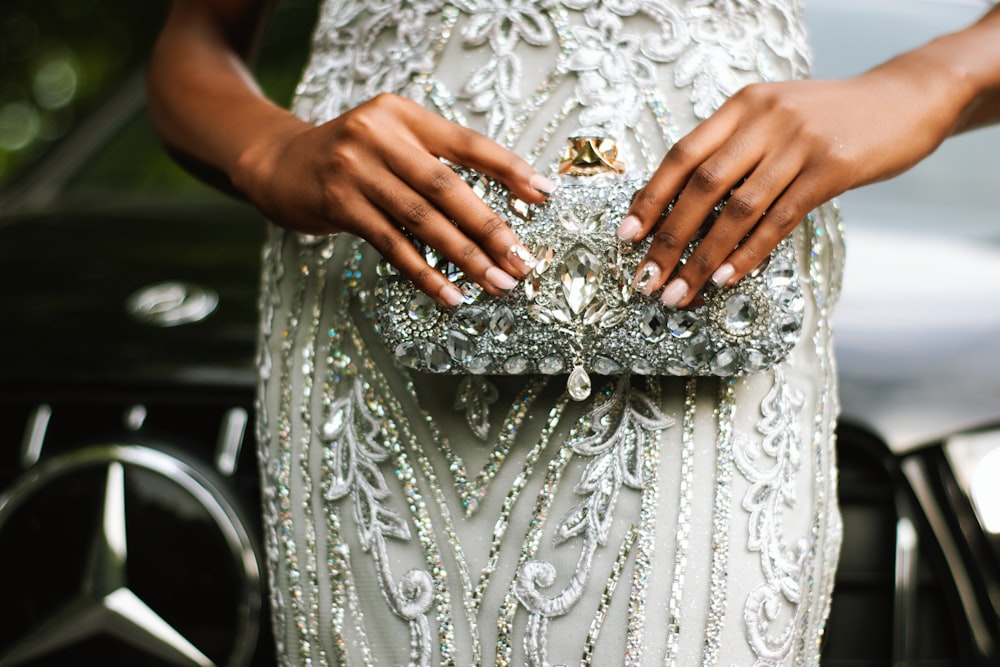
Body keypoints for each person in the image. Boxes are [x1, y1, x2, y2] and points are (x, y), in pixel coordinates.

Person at [147, 0, 1000, 664]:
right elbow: (196, 42)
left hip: (710, 273)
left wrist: (929, 82)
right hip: (367, 271)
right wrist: (271, 150)